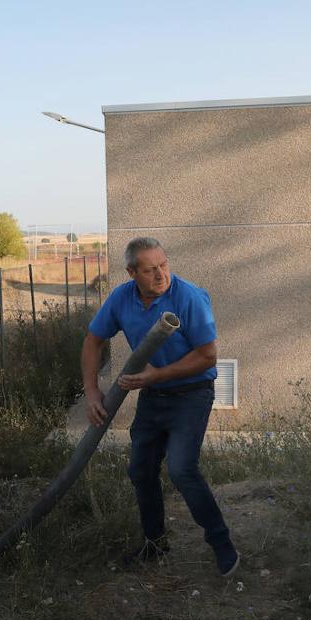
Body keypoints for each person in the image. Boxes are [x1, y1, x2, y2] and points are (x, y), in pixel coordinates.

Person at [81, 237, 239, 576]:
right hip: (154, 397)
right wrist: (93, 391)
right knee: (140, 469)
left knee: (182, 469)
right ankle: (154, 544)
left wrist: (157, 375)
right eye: (151, 270)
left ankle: (222, 543)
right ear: (132, 272)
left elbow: (207, 356)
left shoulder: (189, 297)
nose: (161, 275)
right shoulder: (122, 298)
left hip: (191, 393)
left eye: (164, 265)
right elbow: (94, 340)